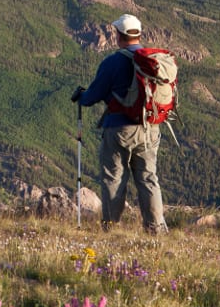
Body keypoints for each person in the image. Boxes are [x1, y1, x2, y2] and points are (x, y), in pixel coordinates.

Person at [71, 14, 167, 233]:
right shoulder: (152, 61)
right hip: (150, 127)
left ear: (118, 36)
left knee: (114, 178)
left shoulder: (113, 62)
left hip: (119, 129)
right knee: (148, 179)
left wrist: (81, 97)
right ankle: (156, 228)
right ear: (138, 34)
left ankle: (111, 227)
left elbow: (93, 96)